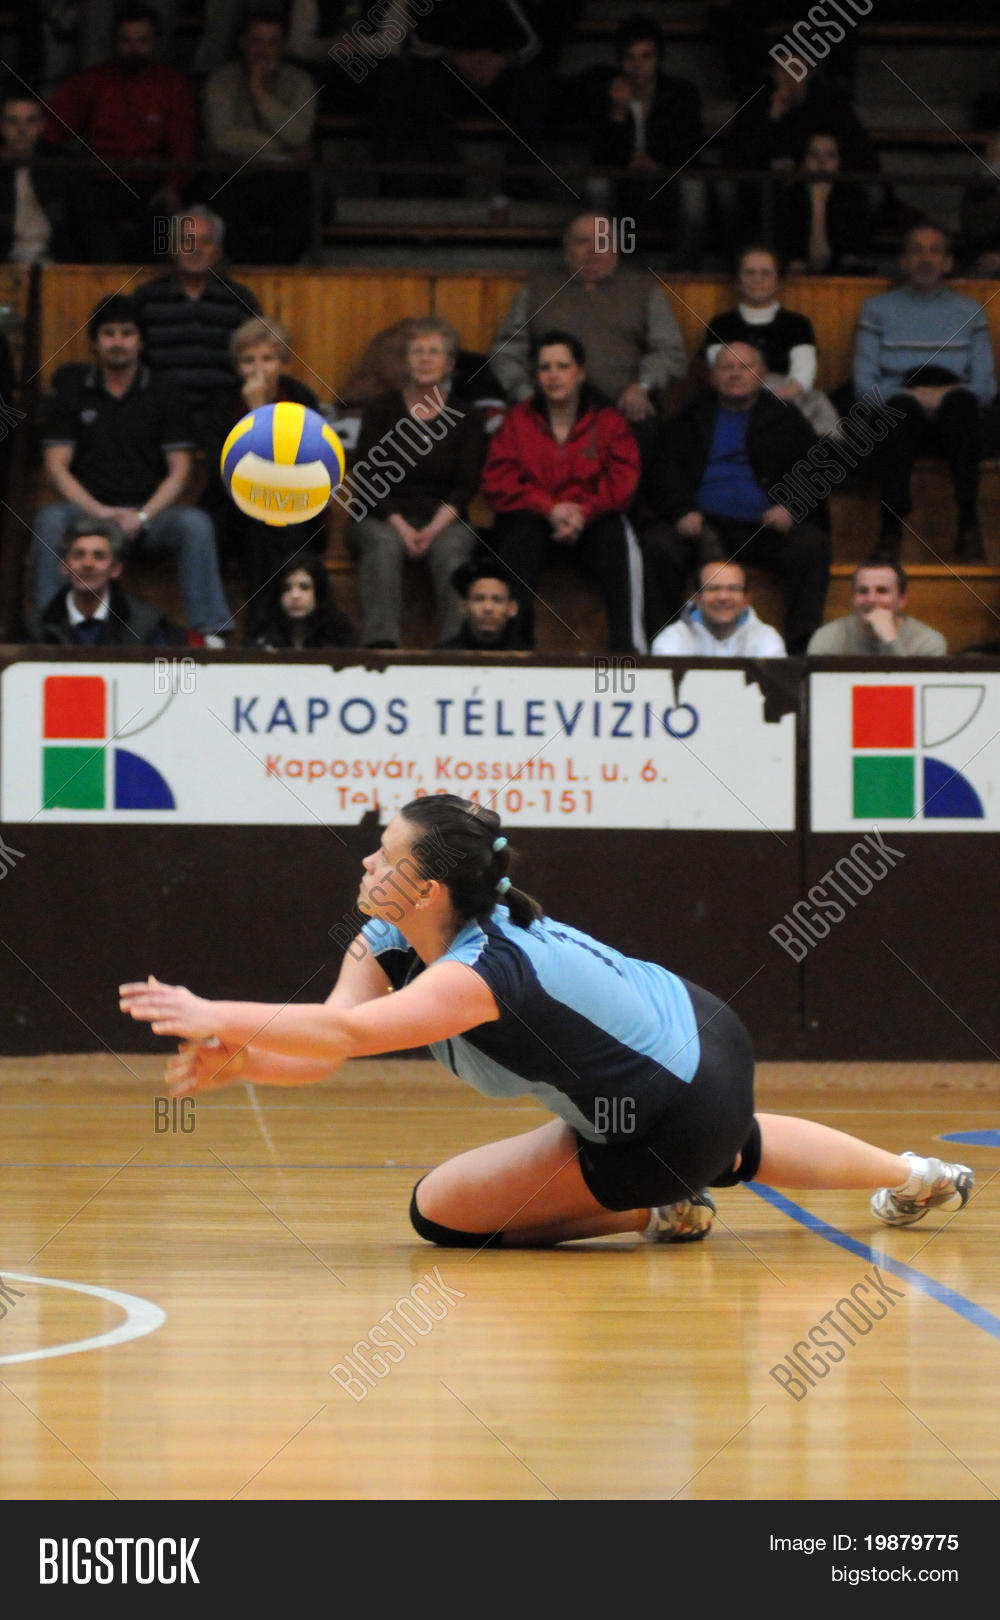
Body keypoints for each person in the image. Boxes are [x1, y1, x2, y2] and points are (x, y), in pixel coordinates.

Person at [119, 792, 975, 1246]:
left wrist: (208, 1009)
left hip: (673, 1112)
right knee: (728, 1139)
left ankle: (662, 1203)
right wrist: (245, 1061)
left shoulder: (479, 972)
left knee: (440, 1216)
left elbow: (343, 1036)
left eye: (386, 853)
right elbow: (327, 1042)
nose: (368, 861)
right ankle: (918, 1174)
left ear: (429, 888)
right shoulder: (390, 934)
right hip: (695, 1043)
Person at [25, 292, 231, 644]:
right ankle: (49, 630)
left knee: (195, 524)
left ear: (141, 341)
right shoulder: (72, 390)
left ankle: (210, 632)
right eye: (108, 333)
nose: (117, 342)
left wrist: (143, 516)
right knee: (50, 519)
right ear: (95, 341)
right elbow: (55, 466)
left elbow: (180, 470)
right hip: (87, 514)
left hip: (149, 517)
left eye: (126, 333)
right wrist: (100, 512)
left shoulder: (165, 392)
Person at [638, 341, 830, 655]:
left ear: (762, 374)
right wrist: (681, 511)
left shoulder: (786, 418)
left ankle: (800, 653)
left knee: (812, 544)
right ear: (712, 375)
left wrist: (791, 507)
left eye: (745, 367)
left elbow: (817, 470)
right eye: (726, 367)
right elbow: (663, 472)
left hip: (764, 530)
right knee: (658, 544)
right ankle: (661, 649)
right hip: (702, 530)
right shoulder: (689, 417)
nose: (735, 374)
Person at [481, 329, 643, 653]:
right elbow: (498, 479)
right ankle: (516, 650)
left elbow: (622, 481)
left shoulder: (609, 421)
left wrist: (583, 511)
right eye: (545, 368)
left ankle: (626, 649)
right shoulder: (517, 420)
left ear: (580, 372)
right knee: (517, 534)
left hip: (591, 519)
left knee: (615, 534)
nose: (553, 375)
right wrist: (549, 508)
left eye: (562, 366)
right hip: (535, 518)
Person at [852, 225, 999, 562]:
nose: (926, 259)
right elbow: (863, 387)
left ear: (948, 262)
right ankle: (890, 532)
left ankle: (969, 526)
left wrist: (943, 394)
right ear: (903, 261)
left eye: (935, 251)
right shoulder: (876, 309)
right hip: (899, 413)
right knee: (900, 411)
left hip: (955, 417)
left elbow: (986, 388)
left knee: (961, 404)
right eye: (917, 251)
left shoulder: (970, 312)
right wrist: (911, 397)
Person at [488, 211, 688, 444]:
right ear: (567, 249)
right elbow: (506, 351)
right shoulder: (537, 289)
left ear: (615, 248)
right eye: (583, 242)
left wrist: (642, 386)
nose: (593, 250)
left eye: (603, 241)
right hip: (549, 411)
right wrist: (526, 395)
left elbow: (670, 351)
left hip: (623, 410)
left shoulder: (643, 289)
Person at [346, 317, 486, 648]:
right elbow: (367, 476)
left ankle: (458, 649)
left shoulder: (466, 415)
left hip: (444, 519)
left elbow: (465, 486)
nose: (425, 359)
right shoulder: (380, 410)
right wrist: (402, 527)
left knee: (451, 550)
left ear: (449, 363)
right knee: (383, 545)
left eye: (434, 351)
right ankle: (382, 648)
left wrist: (432, 530)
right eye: (417, 351)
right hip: (381, 516)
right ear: (406, 361)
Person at [195, 314, 325, 635]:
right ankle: (230, 632)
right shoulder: (219, 403)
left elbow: (305, 467)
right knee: (256, 523)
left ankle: (267, 632)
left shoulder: (301, 399)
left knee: (272, 526)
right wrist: (256, 412)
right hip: (231, 504)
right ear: (237, 366)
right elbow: (224, 470)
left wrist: (259, 412)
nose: (258, 369)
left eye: (268, 359)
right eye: (248, 360)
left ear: (283, 364)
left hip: (290, 504)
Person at [43, 3, 197, 261]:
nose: (133, 49)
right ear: (114, 42)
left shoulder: (174, 86)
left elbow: (184, 146)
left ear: (157, 42)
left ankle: (157, 279)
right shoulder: (92, 81)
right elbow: (51, 130)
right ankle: (105, 276)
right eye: (125, 41)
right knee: (85, 209)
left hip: (154, 181)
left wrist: (173, 186)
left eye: (142, 41)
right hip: (100, 180)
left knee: (169, 218)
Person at [586, 11, 707, 265]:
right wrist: (617, 113)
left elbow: (690, 149)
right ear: (620, 61)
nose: (637, 66)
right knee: (597, 185)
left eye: (646, 56)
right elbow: (600, 158)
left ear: (658, 58)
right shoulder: (604, 95)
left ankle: (684, 272)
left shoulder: (681, 93)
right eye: (630, 57)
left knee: (693, 188)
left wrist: (659, 165)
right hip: (624, 187)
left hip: (666, 186)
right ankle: (610, 267)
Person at [202, 7, 317, 265]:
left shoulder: (300, 82)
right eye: (256, 42)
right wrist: (283, 150)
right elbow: (224, 138)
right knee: (216, 202)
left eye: (272, 43)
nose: (263, 51)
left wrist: (260, 94)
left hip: (286, 179)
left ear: (283, 46)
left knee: (312, 205)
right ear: (242, 43)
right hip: (235, 176)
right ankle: (250, 275)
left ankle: (276, 274)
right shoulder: (221, 81)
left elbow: (298, 134)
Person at [133, 205, 261, 415]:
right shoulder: (145, 299)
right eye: (187, 240)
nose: (196, 249)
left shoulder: (240, 300)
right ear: (172, 248)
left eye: (206, 242)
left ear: (218, 251)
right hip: (158, 414)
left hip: (225, 414)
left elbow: (258, 359)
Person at [703, 244, 841, 438]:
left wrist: (778, 400)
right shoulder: (721, 324)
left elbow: (803, 375)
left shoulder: (797, 324)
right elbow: (721, 371)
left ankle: (826, 456)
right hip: (736, 396)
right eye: (750, 273)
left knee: (817, 403)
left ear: (778, 282)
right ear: (738, 281)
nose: (757, 279)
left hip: (788, 397)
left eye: (765, 273)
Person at [29, 514, 182, 646]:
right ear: (63, 566)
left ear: (116, 569)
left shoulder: (145, 626)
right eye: (79, 555)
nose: (88, 564)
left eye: (99, 556)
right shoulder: (35, 627)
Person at [774, 131, 876, 277]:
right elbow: (793, 255)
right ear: (803, 160)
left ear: (839, 162)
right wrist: (817, 202)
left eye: (830, 155)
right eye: (814, 155)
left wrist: (819, 204)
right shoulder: (789, 197)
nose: (822, 162)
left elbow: (839, 257)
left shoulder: (853, 198)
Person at [0, 88, 82, 264]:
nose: (22, 129)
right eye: (13, 121)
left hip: (56, 268)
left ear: (42, 125)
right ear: (2, 126)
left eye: (31, 121)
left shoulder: (61, 166)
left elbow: (89, 225)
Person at [806, 560, 948, 657]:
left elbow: (909, 690)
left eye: (882, 591)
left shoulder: (927, 642)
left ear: (902, 599)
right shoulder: (828, 638)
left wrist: (890, 640)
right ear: (853, 598)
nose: (871, 599)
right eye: (863, 591)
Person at [651, 559, 786, 658]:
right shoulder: (672, 639)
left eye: (733, 589)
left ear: (746, 600)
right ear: (697, 599)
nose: (723, 597)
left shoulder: (767, 639)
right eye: (713, 588)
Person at [250, 554, 356, 651]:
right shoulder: (263, 631)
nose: (295, 595)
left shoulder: (339, 633)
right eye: (286, 588)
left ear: (318, 592)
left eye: (304, 587)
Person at [437, 556, 521, 651]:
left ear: (512, 608)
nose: (488, 608)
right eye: (479, 599)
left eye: (497, 600)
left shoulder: (527, 657)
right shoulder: (443, 656)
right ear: (464, 606)